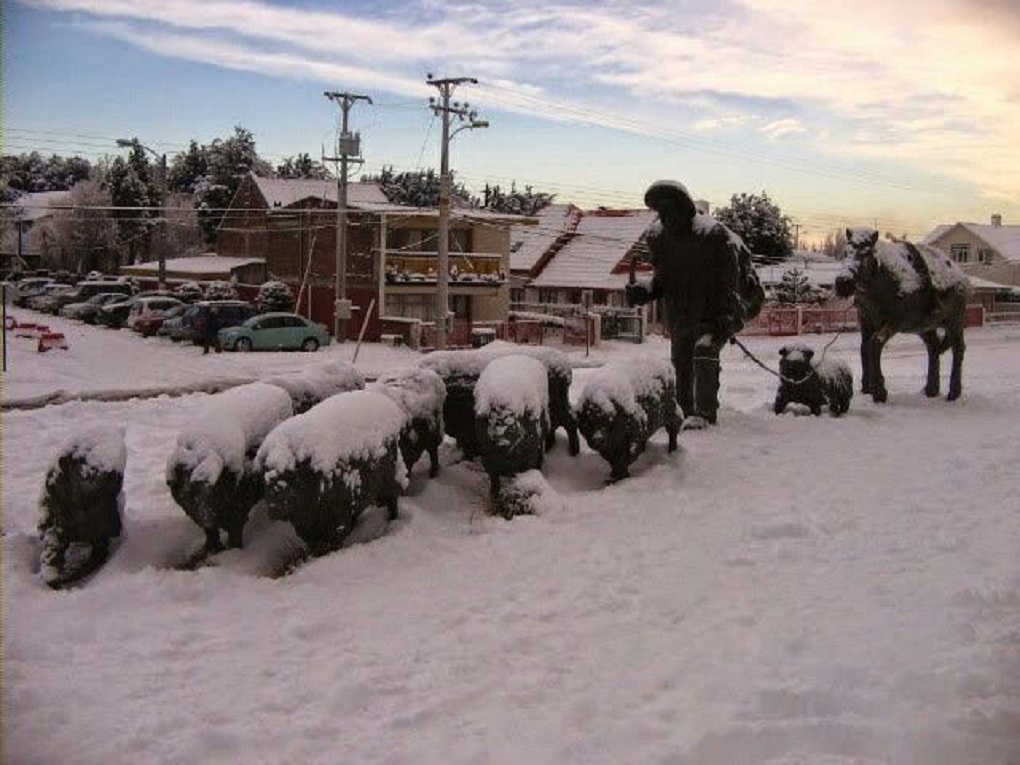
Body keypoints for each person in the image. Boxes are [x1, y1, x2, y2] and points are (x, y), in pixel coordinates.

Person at [626, 180, 762, 429]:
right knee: (681, 361)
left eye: (669, 211)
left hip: (715, 313)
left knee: (704, 350)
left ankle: (704, 413)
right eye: (660, 213)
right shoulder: (660, 238)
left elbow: (729, 282)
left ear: (683, 209)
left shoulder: (713, 236)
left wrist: (726, 315)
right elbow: (662, 281)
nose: (664, 218)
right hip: (682, 315)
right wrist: (643, 292)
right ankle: (683, 410)